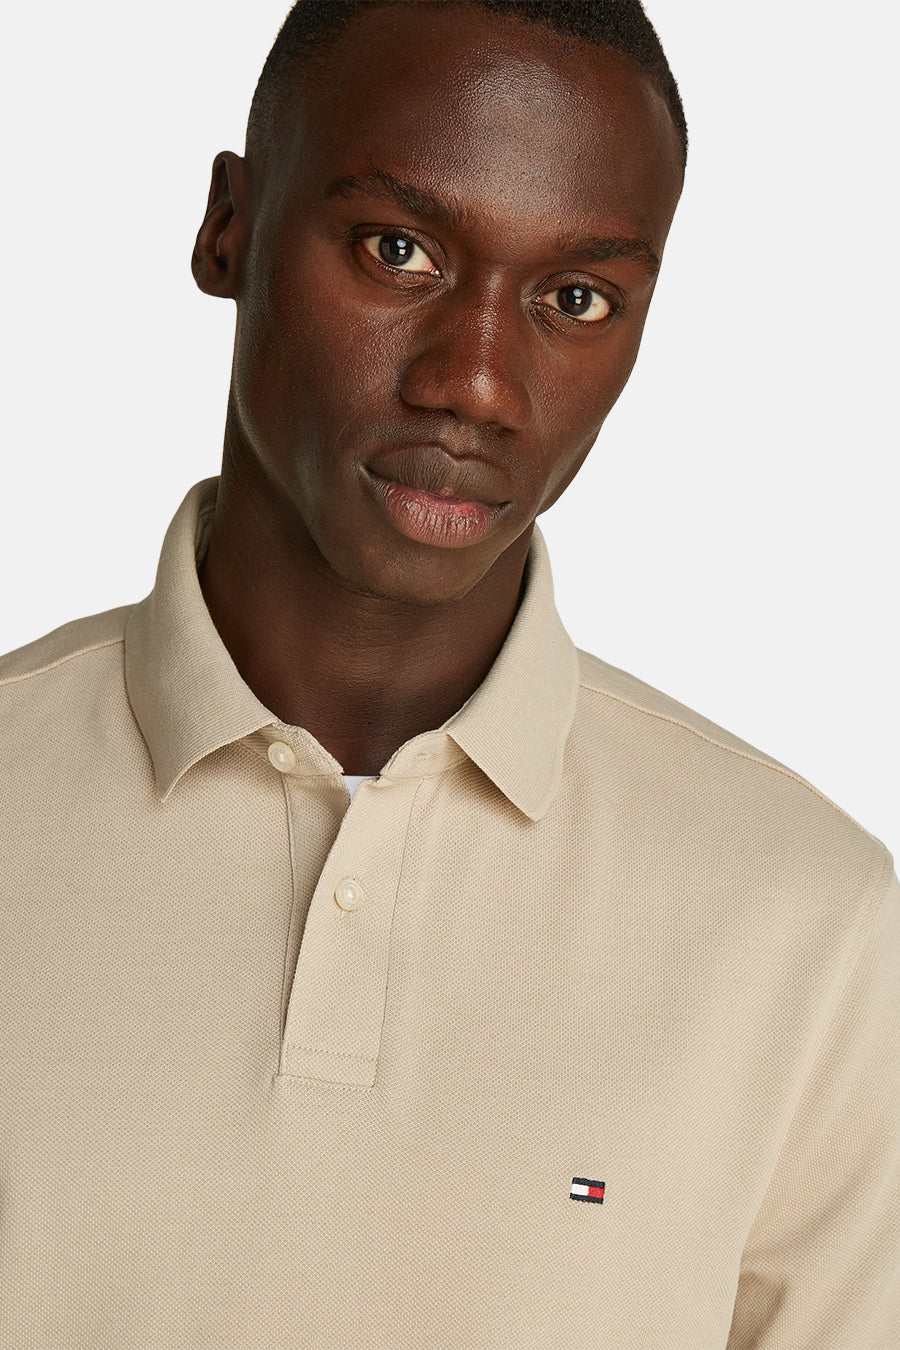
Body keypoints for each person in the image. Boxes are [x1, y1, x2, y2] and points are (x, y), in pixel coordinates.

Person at [0, 1, 896, 1346]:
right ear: (229, 226)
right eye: (399, 250)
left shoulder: (811, 926)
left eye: (574, 299)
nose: (476, 383)